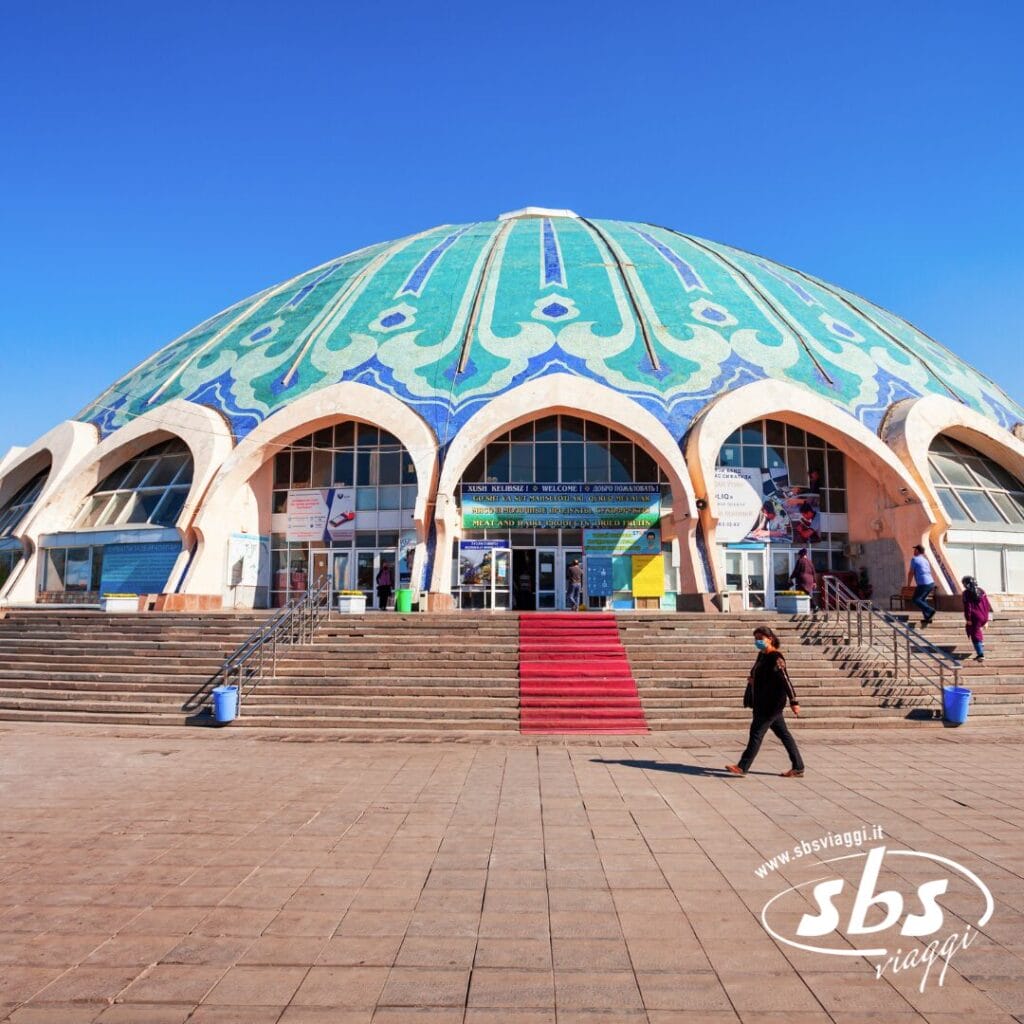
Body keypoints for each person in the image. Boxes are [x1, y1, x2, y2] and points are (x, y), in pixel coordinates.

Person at [726, 626, 804, 778]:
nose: (757, 641)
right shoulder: (761, 656)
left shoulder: (776, 657)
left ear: (770, 639)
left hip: (771, 705)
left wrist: (794, 701)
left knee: (756, 733)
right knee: (784, 735)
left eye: (760, 639)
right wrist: (754, 680)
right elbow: (762, 676)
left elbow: (785, 679)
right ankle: (798, 767)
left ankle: (743, 766)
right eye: (755, 639)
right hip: (762, 702)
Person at [961, 576, 992, 662]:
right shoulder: (981, 591)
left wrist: (968, 618)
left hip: (975, 617)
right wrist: (988, 619)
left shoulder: (966, 593)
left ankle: (980, 654)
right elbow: (987, 604)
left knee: (975, 634)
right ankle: (980, 646)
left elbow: (968, 607)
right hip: (984, 615)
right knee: (977, 632)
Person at [907, 544, 935, 627]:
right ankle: (927, 617)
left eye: (915, 550)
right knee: (922, 599)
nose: (913, 551)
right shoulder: (925, 560)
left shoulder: (914, 559)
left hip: (923, 583)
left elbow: (911, 572)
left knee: (916, 599)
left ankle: (930, 610)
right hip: (931, 583)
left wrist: (908, 584)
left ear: (917, 551)